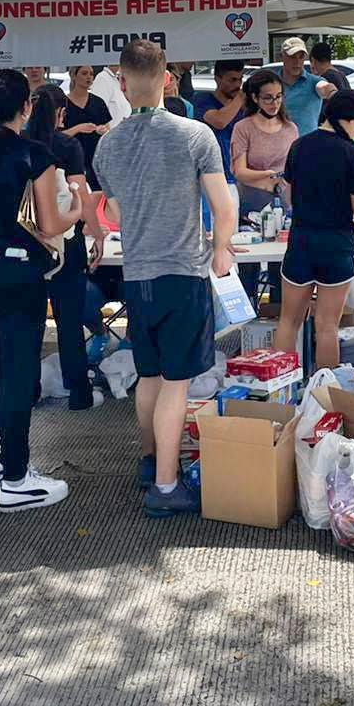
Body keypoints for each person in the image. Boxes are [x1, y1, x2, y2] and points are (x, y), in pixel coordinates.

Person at [92, 40, 235, 519]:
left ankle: (151, 460)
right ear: (168, 77)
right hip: (183, 272)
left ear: (122, 79)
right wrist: (220, 249)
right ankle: (166, 486)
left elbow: (113, 211)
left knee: (149, 375)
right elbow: (223, 204)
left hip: (139, 276)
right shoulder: (196, 135)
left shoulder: (107, 144)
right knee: (177, 383)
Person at [0, 69, 85, 511]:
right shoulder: (34, 154)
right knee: (17, 370)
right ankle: (16, 477)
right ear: (26, 108)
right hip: (18, 270)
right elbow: (50, 224)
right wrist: (79, 212)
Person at [275, 89, 354, 368]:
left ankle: (277, 389)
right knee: (327, 326)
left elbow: (289, 195)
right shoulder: (352, 155)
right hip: (337, 246)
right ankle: (323, 392)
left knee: (288, 320)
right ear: (347, 120)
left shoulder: (300, 146)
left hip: (301, 242)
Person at [25, 83, 106, 411]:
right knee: (69, 321)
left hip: (29, 243)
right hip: (66, 242)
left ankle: (29, 392)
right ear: (60, 113)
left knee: (29, 322)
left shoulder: (20, 144)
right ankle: (79, 393)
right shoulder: (66, 145)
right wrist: (98, 234)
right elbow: (82, 197)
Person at [230, 69, 296, 303]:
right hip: (252, 203)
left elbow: (295, 168)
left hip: (284, 204)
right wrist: (267, 175)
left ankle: (279, 321)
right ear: (255, 98)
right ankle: (249, 323)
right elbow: (239, 171)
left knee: (282, 270)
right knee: (249, 269)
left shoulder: (290, 128)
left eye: (278, 96)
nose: (274, 103)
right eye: (267, 97)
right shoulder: (244, 127)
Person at [192, 60, 246, 206]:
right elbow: (219, 121)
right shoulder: (202, 100)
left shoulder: (242, 106)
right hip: (210, 177)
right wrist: (240, 97)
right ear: (217, 78)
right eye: (232, 80)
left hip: (237, 177)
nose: (237, 85)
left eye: (240, 79)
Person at [60, 64, 113, 187]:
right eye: (84, 73)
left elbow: (108, 130)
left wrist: (103, 130)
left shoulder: (98, 102)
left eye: (91, 74)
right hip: (70, 162)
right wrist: (78, 128)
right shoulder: (63, 104)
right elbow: (57, 136)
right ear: (73, 75)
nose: (89, 77)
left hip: (95, 161)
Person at [277, 36, 336, 129]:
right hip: (279, 142)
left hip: (307, 143)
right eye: (292, 56)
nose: (297, 62)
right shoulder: (273, 82)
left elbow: (324, 87)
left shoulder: (314, 81)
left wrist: (332, 92)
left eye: (301, 57)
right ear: (281, 56)